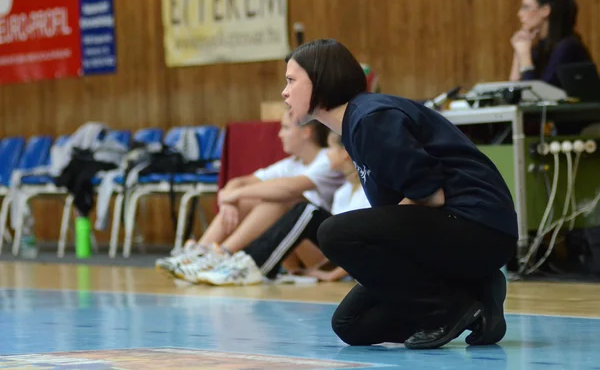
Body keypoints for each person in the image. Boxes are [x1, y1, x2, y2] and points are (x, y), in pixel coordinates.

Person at [282, 39, 517, 350]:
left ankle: (447, 310)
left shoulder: (371, 119)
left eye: (291, 80)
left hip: (478, 227)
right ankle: (478, 294)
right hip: (452, 233)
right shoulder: (355, 125)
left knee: (336, 233)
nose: (284, 92)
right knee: (351, 325)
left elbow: (431, 196)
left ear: (320, 79)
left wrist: (381, 252)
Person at [155, 110, 345, 279]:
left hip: (325, 252)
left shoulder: (328, 159)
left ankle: (222, 254)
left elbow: (289, 188)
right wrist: (230, 199)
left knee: (283, 199)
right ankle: (200, 253)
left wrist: (232, 195)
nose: (280, 134)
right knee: (250, 198)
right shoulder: (292, 164)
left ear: (306, 132)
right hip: (293, 245)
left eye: (286, 128)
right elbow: (238, 182)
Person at [190, 130, 370, 286]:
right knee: (272, 201)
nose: (327, 153)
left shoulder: (367, 192)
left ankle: (247, 263)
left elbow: (366, 248)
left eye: (330, 149)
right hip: (330, 259)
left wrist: (333, 275)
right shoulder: (343, 192)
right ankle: (203, 255)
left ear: (345, 153)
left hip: (354, 265)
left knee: (305, 209)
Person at [509, 0, 592, 88]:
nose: (519, 13)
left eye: (526, 7)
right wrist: (518, 54)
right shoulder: (538, 49)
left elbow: (541, 94)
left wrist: (525, 57)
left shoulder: (568, 47)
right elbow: (514, 91)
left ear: (545, 11)